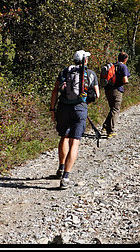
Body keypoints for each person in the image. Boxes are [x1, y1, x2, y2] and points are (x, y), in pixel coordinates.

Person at [50, 50, 100, 189]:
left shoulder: (65, 71)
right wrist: (83, 103)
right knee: (75, 141)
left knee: (64, 137)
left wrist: (52, 109)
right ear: (85, 61)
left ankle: (60, 168)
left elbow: (55, 91)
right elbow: (97, 95)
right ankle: (65, 178)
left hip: (63, 109)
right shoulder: (90, 74)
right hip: (80, 109)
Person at [102, 51, 130, 139]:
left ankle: (106, 126)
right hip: (116, 90)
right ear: (125, 59)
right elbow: (125, 80)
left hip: (108, 90)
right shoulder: (123, 66)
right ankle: (110, 131)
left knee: (112, 109)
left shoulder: (113, 65)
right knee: (115, 109)